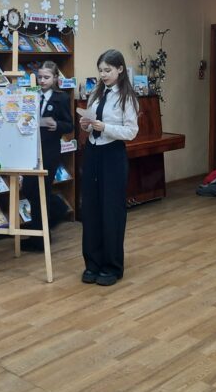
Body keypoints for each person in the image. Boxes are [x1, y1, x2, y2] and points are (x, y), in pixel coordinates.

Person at [78, 49, 139, 286]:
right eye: (101, 70)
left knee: (111, 209)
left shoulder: (127, 97)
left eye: (108, 70)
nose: (103, 75)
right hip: (93, 152)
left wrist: (106, 128)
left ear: (120, 69)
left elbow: (131, 132)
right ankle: (92, 263)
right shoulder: (96, 92)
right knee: (91, 208)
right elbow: (89, 125)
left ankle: (112, 266)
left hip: (113, 154)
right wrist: (85, 124)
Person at [21, 60, 73, 251]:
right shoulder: (32, 94)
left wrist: (57, 125)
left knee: (41, 190)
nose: (42, 81)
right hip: (31, 150)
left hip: (50, 151)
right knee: (29, 188)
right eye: (40, 77)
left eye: (46, 77)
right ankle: (53, 214)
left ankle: (41, 236)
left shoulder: (61, 98)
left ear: (55, 78)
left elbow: (69, 125)